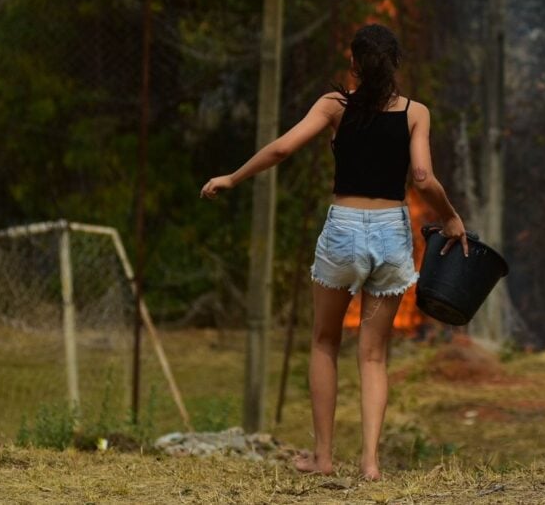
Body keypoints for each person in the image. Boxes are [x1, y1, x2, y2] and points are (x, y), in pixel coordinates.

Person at [200, 24, 468, 480]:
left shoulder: (334, 106)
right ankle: (369, 463)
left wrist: (232, 177)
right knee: (373, 355)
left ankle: (323, 457)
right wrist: (450, 217)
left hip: (343, 228)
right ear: (395, 65)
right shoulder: (415, 112)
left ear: (354, 65)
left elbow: (283, 148)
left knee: (325, 342)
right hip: (390, 230)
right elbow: (422, 176)